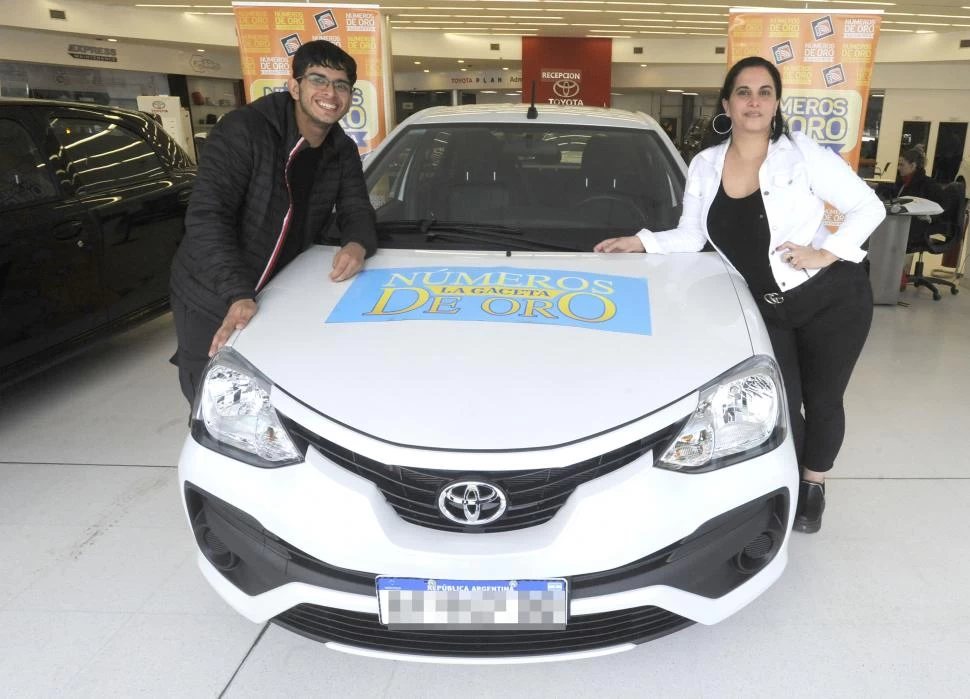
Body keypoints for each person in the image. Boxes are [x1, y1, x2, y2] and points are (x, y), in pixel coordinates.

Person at [594, 56, 885, 534]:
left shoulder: (802, 154)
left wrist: (826, 253)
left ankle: (813, 485)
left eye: (764, 92)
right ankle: (790, 475)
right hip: (766, 307)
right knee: (785, 401)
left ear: (775, 103)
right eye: (744, 92)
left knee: (823, 397)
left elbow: (866, 207)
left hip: (832, 299)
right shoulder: (706, 164)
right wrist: (641, 241)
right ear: (727, 102)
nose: (754, 101)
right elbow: (691, 234)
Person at [169, 40, 377, 405]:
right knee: (216, 396)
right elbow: (206, 216)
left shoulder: (340, 149)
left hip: (278, 289)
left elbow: (356, 208)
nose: (331, 93)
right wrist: (237, 293)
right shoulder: (245, 130)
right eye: (319, 80)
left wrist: (356, 244)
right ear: (295, 86)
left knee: (279, 390)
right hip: (212, 288)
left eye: (341, 85)